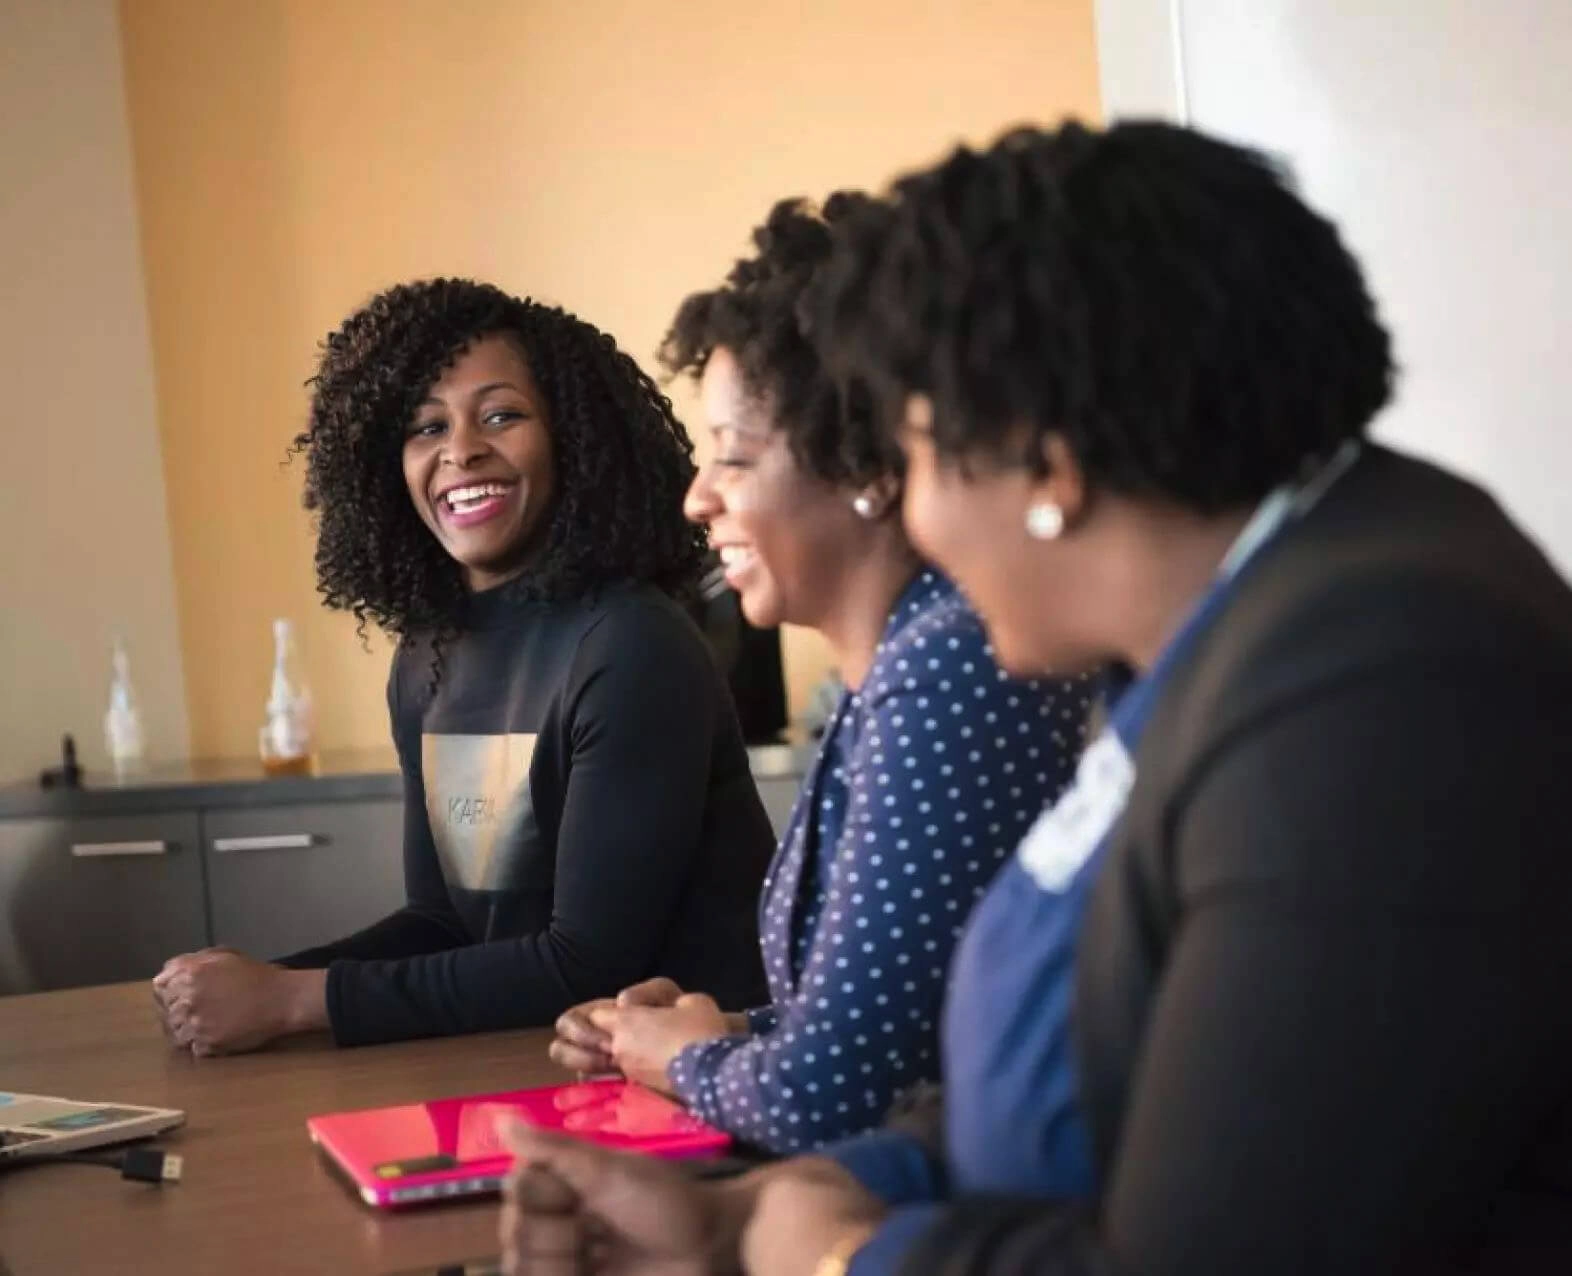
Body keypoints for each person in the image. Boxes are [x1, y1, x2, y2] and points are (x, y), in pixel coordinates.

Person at [496, 121, 1572, 1276]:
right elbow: (1094, 1066)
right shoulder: (1230, 634)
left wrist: (843, 1255)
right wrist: (779, 1202)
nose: (912, 518)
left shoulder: (1381, 677)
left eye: (911, 455)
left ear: (1045, 459)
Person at [546, 196, 1092, 1154]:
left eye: (733, 457)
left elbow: (828, 1100)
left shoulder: (948, 671)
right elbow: (901, 1030)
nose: (697, 496)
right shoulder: (897, 669)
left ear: (866, 465)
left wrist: (683, 1061)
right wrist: (704, 1036)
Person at [151, 279, 776, 1054]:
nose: (460, 450)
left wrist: (290, 1000)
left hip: (696, 1087)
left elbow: (586, 961)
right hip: (521, 1059)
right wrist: (259, 982)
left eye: (502, 415)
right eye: (425, 427)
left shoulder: (631, 644)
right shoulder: (427, 657)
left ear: (573, 440)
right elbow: (444, 924)